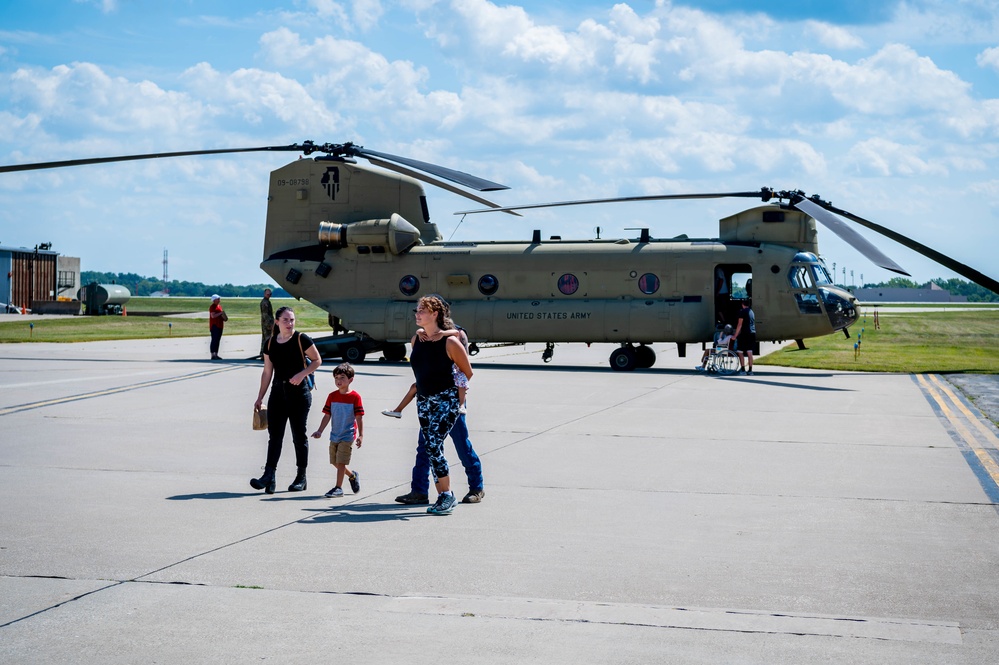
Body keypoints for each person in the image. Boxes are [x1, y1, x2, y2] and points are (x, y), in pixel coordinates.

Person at [409, 295, 473, 515]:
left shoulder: (451, 342)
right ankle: (443, 496)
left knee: (435, 446)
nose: (417, 314)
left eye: (421, 311)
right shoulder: (416, 339)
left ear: (434, 314)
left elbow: (468, 372)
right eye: (416, 311)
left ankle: (447, 495)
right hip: (424, 400)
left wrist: (456, 398)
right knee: (431, 447)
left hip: (445, 400)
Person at [250, 306, 322, 494]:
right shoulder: (270, 343)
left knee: (299, 436)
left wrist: (302, 374)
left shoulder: (301, 339)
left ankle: (301, 477)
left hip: (299, 395)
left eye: (292, 320)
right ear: (277, 322)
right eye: (285, 320)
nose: (289, 324)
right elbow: (267, 372)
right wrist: (260, 397)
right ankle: (269, 476)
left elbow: (317, 360)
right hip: (277, 393)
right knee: (275, 436)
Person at [384, 382, 485, 504]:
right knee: (425, 448)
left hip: (451, 403)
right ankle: (419, 491)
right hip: (431, 404)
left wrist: (459, 393)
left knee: (462, 446)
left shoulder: (452, 363)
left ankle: (476, 488)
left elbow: (467, 372)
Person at [311, 363, 363, 498]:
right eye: (336, 378)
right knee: (334, 461)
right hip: (334, 434)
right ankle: (352, 475)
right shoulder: (332, 396)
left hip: (348, 434)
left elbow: (359, 417)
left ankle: (338, 488)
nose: (338, 381)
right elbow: (327, 415)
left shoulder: (355, 397)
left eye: (342, 377)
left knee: (341, 462)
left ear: (351, 379)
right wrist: (320, 431)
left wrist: (361, 435)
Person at [733, 300, 757, 375]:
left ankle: (743, 369)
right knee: (749, 352)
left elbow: (740, 324)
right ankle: (750, 370)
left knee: (740, 351)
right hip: (752, 333)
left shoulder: (742, 312)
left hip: (745, 333)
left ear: (742, 304)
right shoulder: (752, 312)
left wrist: (735, 335)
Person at [259, 288, 275, 359]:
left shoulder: (266, 301)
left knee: (265, 339)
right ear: (264, 294)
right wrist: (270, 324)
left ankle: (263, 354)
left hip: (266, 323)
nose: (269, 295)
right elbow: (265, 315)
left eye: (270, 294)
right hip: (267, 323)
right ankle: (264, 354)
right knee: (267, 339)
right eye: (268, 294)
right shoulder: (265, 302)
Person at [208, 294, 225, 360]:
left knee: (218, 340)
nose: (219, 300)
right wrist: (220, 313)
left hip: (220, 325)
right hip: (214, 325)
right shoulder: (212, 307)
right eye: (218, 299)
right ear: (214, 300)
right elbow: (213, 316)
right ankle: (213, 354)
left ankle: (216, 354)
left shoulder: (219, 306)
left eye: (219, 299)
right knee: (214, 340)